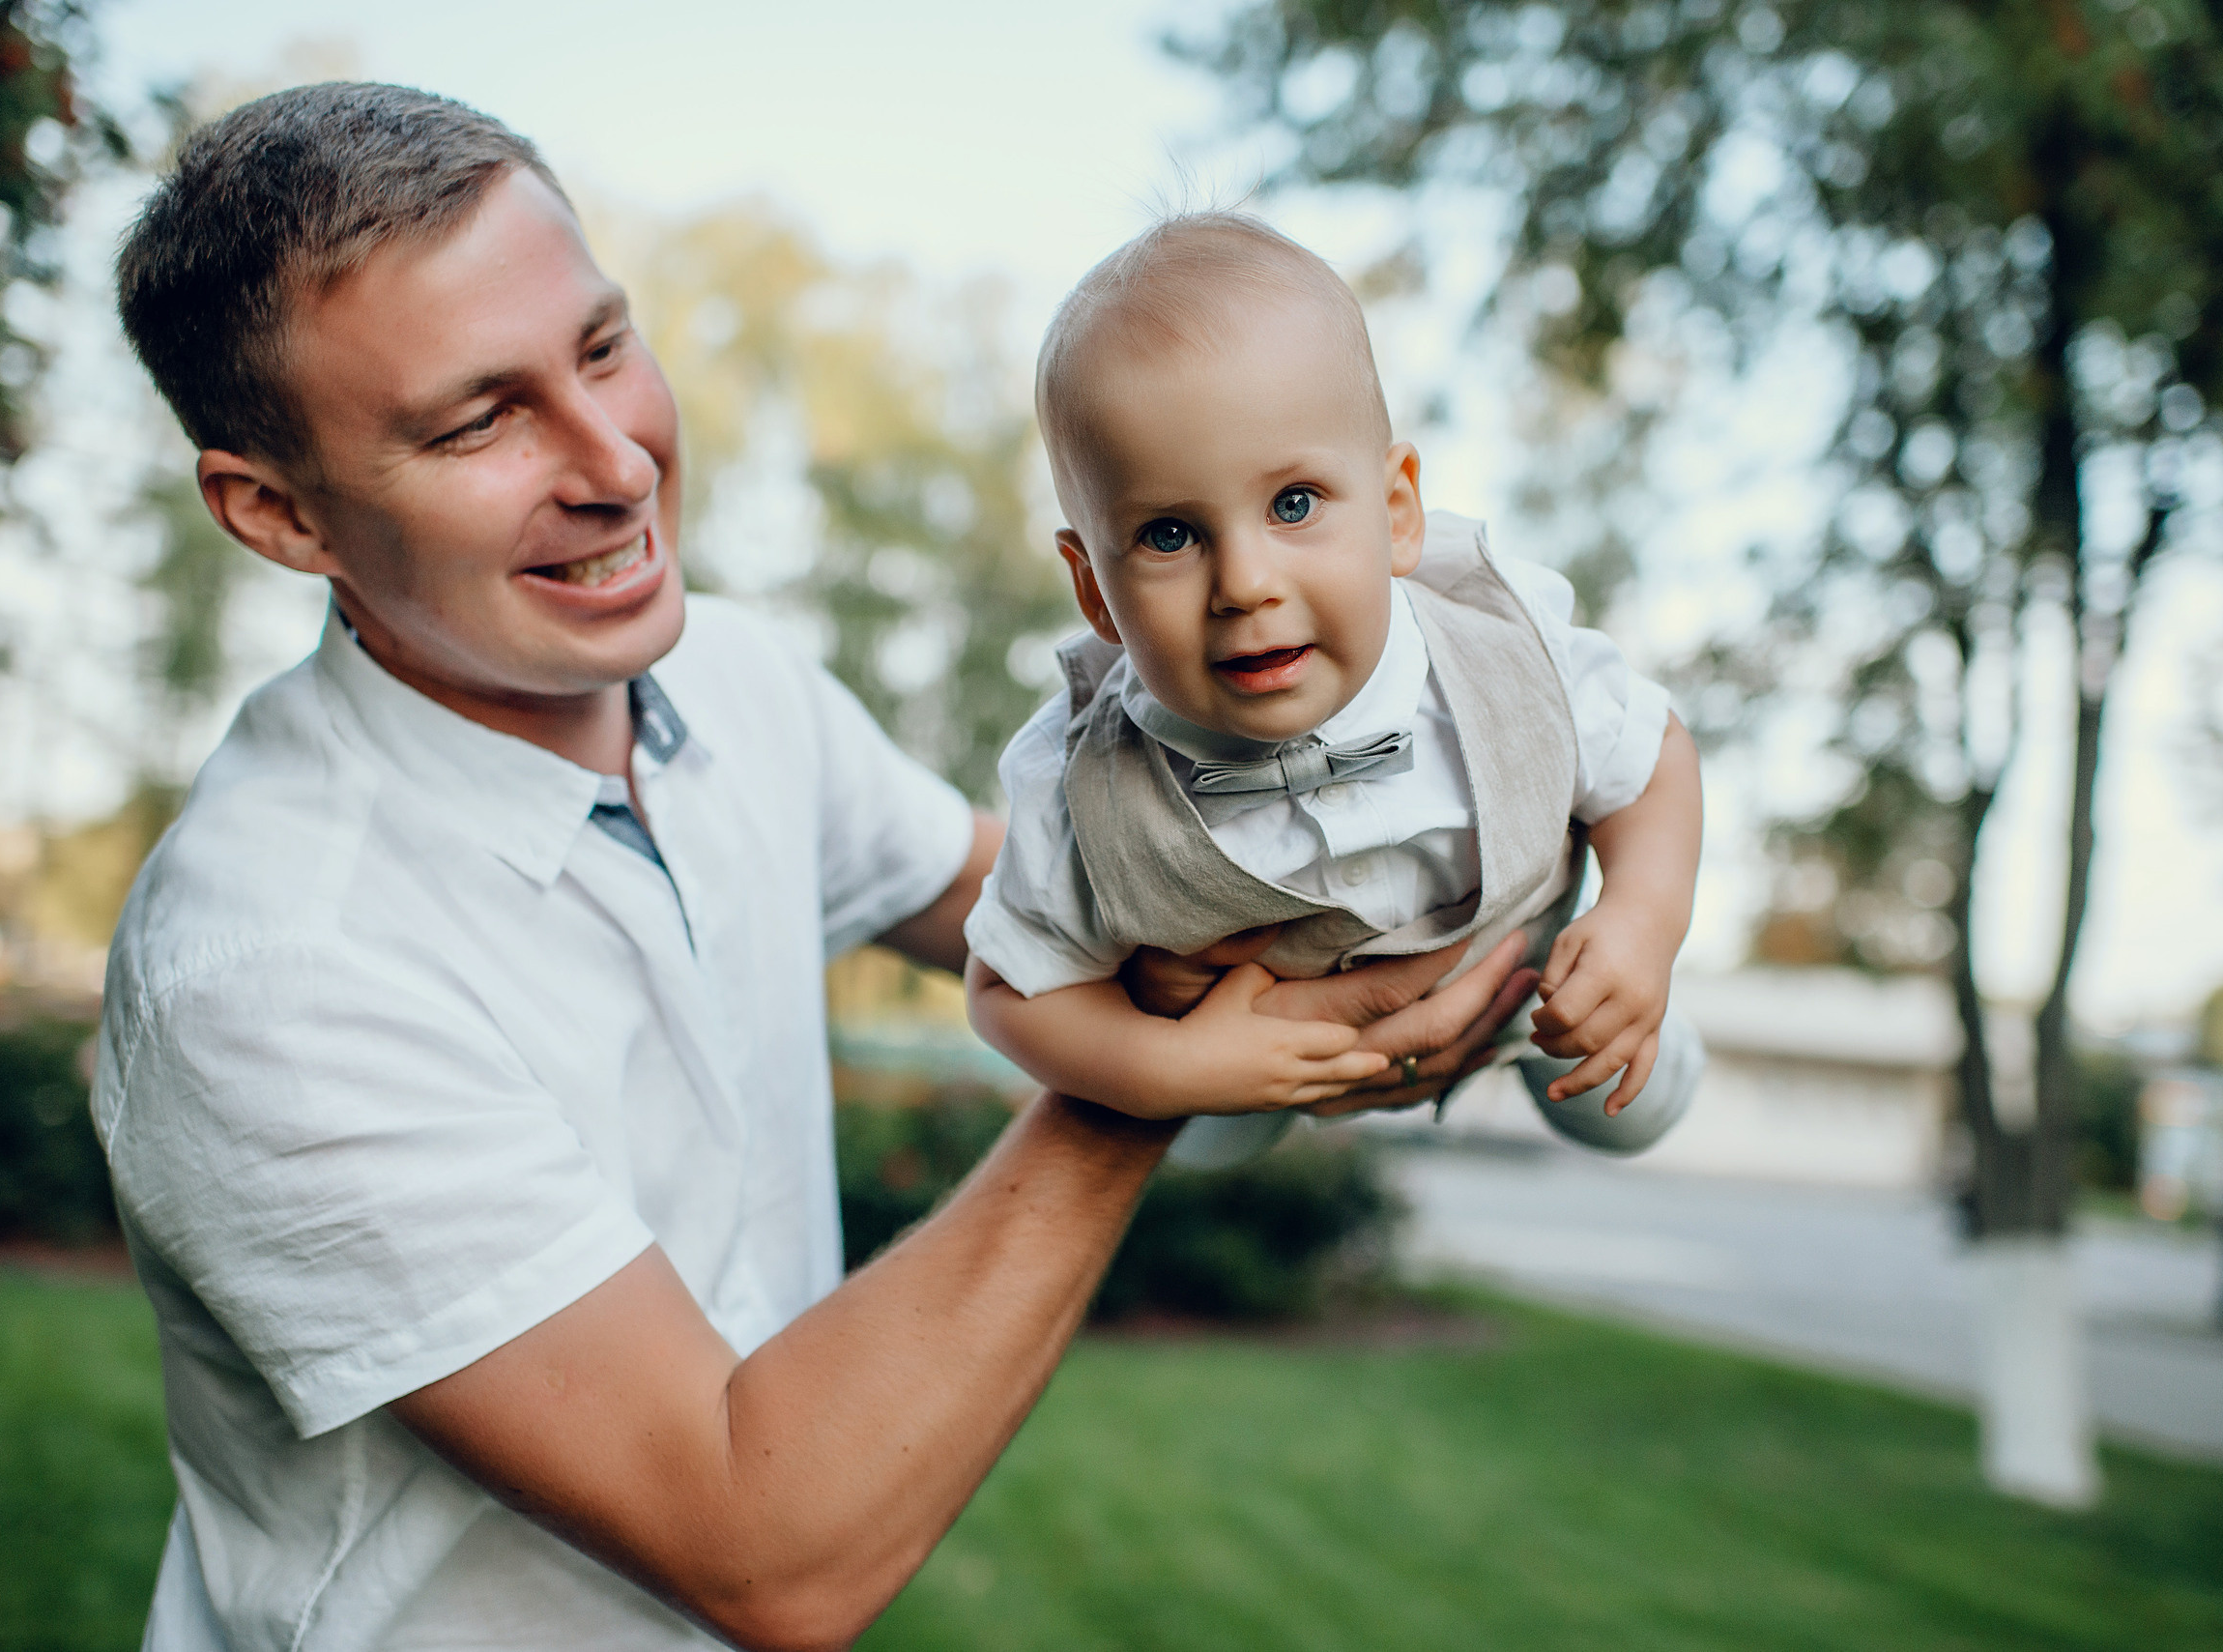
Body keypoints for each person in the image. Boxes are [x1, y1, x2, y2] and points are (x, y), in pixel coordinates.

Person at [96, 85, 1532, 1651]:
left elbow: (1058, 896)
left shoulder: (739, 680)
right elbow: (765, 1540)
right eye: (479, 418)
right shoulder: (272, 965)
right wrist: (1156, 1073)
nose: (617, 463)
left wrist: (1444, 877)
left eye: (600, 348)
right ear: (274, 510)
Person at [964, 214, 1706, 1168]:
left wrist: (1642, 918)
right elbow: (1006, 986)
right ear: (1089, 588)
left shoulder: (1497, 641)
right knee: (1195, 1144)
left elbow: (1652, 757)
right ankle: (1227, 1104)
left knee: (1624, 1097)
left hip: (1519, 972)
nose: (1244, 583)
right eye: (1168, 536)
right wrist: (1168, 1066)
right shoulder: (1081, 784)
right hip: (1257, 1038)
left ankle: (1609, 1036)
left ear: (1397, 512)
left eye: (1293, 504)